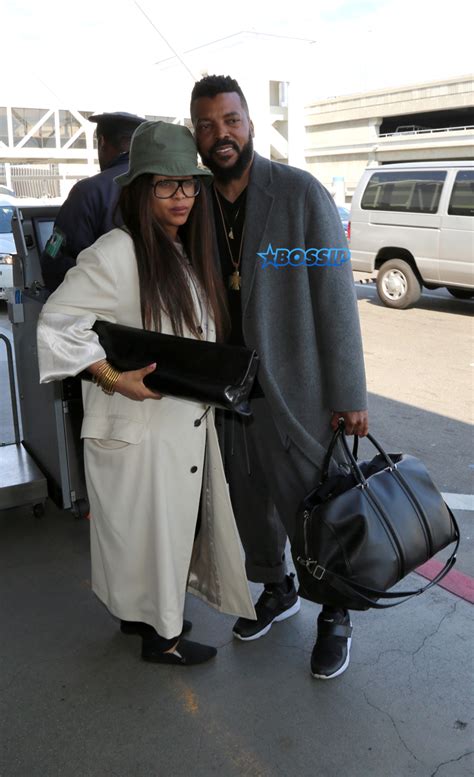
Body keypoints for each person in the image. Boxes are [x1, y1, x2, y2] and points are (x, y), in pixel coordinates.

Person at [37, 120, 255, 666]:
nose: (181, 197)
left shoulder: (178, 248)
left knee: (145, 538)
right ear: (139, 189)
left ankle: (143, 622)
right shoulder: (116, 253)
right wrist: (111, 377)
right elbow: (56, 324)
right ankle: (163, 639)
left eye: (189, 184)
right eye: (165, 184)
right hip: (137, 425)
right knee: (147, 538)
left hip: (168, 429)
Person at [190, 75, 369, 679]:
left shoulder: (298, 195)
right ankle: (277, 589)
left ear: (250, 125)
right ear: (196, 132)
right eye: (208, 124)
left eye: (231, 120)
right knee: (249, 500)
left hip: (297, 390)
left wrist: (349, 395)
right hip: (229, 390)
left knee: (315, 509)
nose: (221, 135)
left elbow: (335, 302)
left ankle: (336, 613)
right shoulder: (195, 204)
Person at [40, 111, 145, 293]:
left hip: (105, 312)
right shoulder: (164, 185)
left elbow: (56, 258)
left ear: (102, 142)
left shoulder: (88, 191)